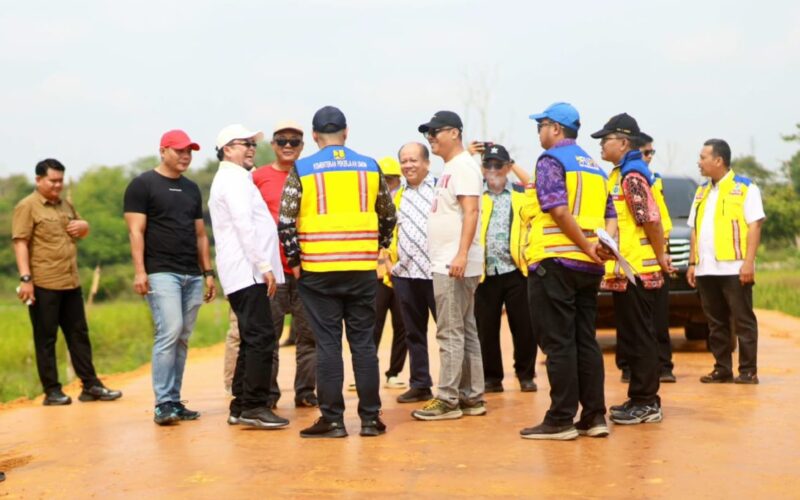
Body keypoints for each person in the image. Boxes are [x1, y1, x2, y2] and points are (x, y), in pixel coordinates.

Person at [278, 106, 396, 438]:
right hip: (360, 269)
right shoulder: (369, 166)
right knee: (363, 344)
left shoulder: (303, 169)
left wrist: (295, 261)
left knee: (328, 344)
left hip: (318, 270)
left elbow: (285, 221)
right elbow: (388, 215)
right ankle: (370, 420)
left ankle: (332, 420)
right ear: (346, 132)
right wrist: (377, 247)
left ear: (314, 136)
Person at [519, 102, 615, 440]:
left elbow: (558, 210)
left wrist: (587, 246)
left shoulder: (551, 160)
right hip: (588, 267)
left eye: (541, 126)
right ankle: (594, 416)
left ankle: (560, 419)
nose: (538, 132)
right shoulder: (595, 169)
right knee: (584, 340)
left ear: (556, 128)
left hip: (555, 262)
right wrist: (602, 247)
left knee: (558, 343)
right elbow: (611, 216)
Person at [222, 120, 319, 408]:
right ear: (273, 145)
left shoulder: (312, 174)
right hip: (272, 271)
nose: (288, 146)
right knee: (268, 338)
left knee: (309, 337)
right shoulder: (256, 177)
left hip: (307, 268)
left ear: (302, 146)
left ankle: (305, 392)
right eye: (282, 141)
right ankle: (268, 394)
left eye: (294, 141)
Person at [12, 159, 122, 406]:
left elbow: (80, 228)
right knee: (46, 338)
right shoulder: (27, 206)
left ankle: (91, 386)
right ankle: (52, 391)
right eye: (52, 180)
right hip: (44, 282)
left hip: (70, 280)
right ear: (38, 180)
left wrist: (84, 226)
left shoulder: (65, 204)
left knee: (79, 334)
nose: (57, 185)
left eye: (60, 180)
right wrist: (26, 278)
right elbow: (20, 242)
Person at [124, 129, 215, 425]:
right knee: (170, 331)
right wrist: (140, 271)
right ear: (163, 150)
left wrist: (208, 272)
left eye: (189, 151)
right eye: (179, 150)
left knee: (182, 338)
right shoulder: (142, 185)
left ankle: (174, 400)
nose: (185, 156)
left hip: (192, 274)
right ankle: (162, 403)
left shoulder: (191, 188)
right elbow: (135, 231)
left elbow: (200, 234)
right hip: (161, 272)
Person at [593, 113, 673, 426]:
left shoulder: (632, 176)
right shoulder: (619, 173)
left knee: (641, 337)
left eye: (606, 139)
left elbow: (650, 219)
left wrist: (661, 255)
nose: (601, 145)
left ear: (624, 142)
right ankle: (639, 397)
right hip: (627, 269)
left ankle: (647, 402)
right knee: (632, 337)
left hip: (638, 270)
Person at [208, 124, 289, 429]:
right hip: (248, 271)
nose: (252, 148)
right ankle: (254, 406)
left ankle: (240, 405)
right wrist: (264, 265)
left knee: (251, 338)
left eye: (253, 144)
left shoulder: (236, 177)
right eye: (245, 143)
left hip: (245, 271)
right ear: (228, 149)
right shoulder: (233, 180)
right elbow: (244, 225)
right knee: (261, 338)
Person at [411, 110, 485, 421]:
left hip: (453, 262)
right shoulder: (453, 167)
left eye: (436, 131)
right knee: (464, 329)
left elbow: (471, 211)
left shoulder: (463, 166)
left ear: (454, 133)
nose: (430, 137)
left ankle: (447, 399)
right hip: (451, 260)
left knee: (450, 331)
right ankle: (471, 396)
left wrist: (461, 254)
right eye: (427, 133)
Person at [687, 139, 765, 384]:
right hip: (706, 268)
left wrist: (748, 262)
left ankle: (748, 371)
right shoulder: (701, 191)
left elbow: (755, 226)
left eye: (703, 157)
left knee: (743, 321)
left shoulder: (745, 188)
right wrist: (692, 263)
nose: (699, 162)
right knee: (715, 322)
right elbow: (694, 229)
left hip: (734, 267)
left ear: (718, 160)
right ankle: (722, 368)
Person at [467, 142, 537, 393]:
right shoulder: (476, 194)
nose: (493, 169)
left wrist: (513, 163)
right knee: (486, 329)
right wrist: (469, 154)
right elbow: (452, 182)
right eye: (488, 164)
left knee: (524, 327)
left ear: (507, 167)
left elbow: (535, 186)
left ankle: (526, 375)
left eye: (499, 165)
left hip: (516, 271)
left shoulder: (520, 194)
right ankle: (491, 378)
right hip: (486, 273)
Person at [615, 132, 676, 383]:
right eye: (645, 153)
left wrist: (662, 253)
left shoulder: (643, 178)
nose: (648, 157)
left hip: (650, 258)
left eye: (651, 153)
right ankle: (631, 371)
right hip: (627, 263)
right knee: (630, 325)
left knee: (656, 321)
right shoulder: (618, 177)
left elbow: (655, 220)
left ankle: (659, 372)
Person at [390, 142, 438, 404]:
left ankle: (459, 387)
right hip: (406, 274)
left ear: (427, 163)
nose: (408, 165)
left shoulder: (441, 189)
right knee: (413, 333)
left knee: (449, 332)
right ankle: (420, 384)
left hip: (438, 273)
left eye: (413, 160)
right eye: (404, 161)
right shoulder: (397, 195)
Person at [372, 156, 408, 390]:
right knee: (372, 325)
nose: (388, 184)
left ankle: (394, 372)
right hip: (377, 275)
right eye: (383, 180)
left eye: (391, 179)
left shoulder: (406, 203)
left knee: (402, 325)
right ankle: (365, 370)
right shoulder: (369, 204)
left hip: (402, 273)